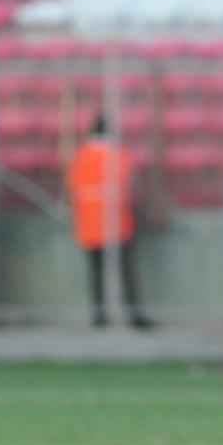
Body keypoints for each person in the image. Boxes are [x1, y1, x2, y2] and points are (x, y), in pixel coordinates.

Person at [67, 116, 154, 329]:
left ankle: (99, 315)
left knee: (96, 271)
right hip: (117, 223)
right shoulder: (119, 155)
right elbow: (132, 188)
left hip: (90, 224)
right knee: (126, 271)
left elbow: (73, 191)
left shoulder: (81, 156)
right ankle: (134, 315)